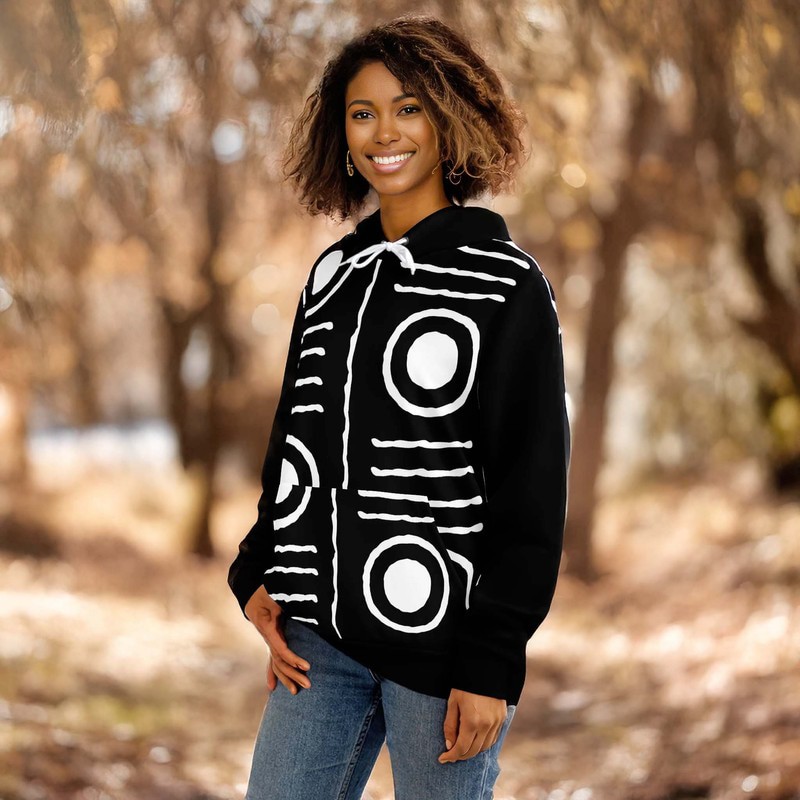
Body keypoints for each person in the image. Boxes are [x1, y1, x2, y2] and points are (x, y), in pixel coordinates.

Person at [228, 14, 571, 800]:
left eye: (408, 108)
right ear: (342, 133)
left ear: (450, 120)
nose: (384, 132)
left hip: (446, 649)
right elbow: (296, 442)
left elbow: (530, 487)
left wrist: (493, 660)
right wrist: (257, 568)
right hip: (319, 641)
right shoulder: (333, 275)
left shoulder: (507, 284)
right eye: (363, 113)